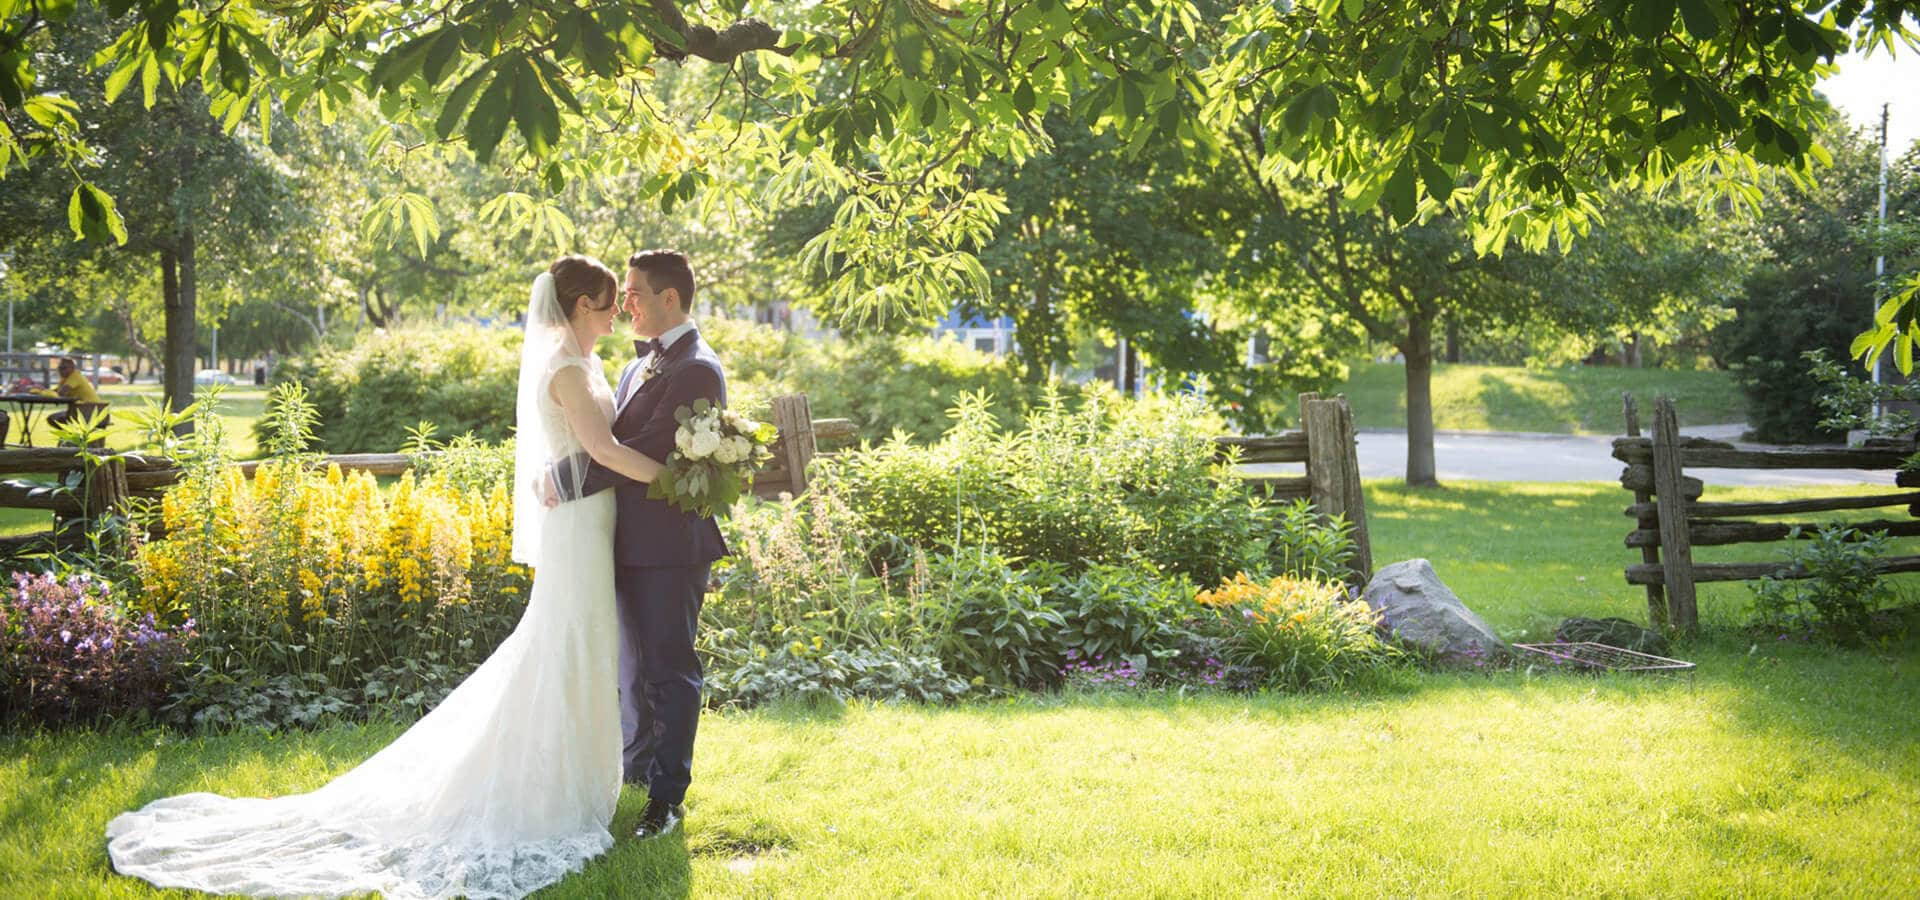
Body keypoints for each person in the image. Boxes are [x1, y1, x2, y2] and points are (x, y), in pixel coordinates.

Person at [105, 255, 664, 899]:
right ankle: (546, 789)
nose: (616, 312)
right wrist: (677, 478)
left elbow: (588, 454)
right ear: (577, 309)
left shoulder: (592, 364)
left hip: (592, 519)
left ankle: (580, 779)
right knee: (564, 642)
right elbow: (603, 451)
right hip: (577, 531)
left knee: (585, 645)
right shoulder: (566, 368)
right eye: (605, 303)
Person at [546, 249, 728, 840]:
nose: (625, 305)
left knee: (670, 670)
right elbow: (614, 440)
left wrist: (567, 481)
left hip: (671, 546)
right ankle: (637, 773)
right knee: (633, 668)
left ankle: (667, 799)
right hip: (625, 539)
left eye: (634, 294)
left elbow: (647, 449)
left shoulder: (697, 369)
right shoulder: (635, 366)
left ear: (668, 299)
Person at [40, 356, 103, 429]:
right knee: (54, 418)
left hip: (90, 411)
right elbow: (56, 391)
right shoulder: (65, 379)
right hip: (82, 410)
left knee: (53, 419)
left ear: (72, 368)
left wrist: (46, 392)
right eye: (59, 368)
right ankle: (68, 439)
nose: (61, 370)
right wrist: (40, 390)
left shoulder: (75, 376)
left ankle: (69, 439)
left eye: (64, 368)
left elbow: (61, 393)